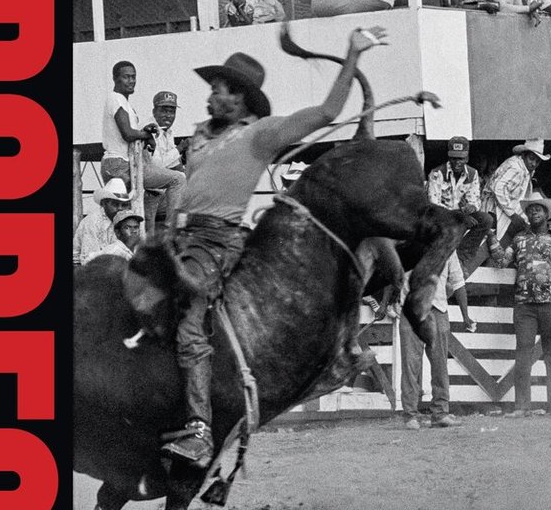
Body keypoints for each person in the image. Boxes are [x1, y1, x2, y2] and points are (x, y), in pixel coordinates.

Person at [159, 25, 389, 469]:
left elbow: (326, 112)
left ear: (240, 99)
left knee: (188, 322)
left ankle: (200, 430)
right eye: (212, 87)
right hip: (180, 238)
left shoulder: (261, 134)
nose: (211, 94)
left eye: (220, 88)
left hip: (215, 242)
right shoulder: (200, 135)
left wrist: (352, 55)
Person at [486, 191, 551, 417]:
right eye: (531, 209)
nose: (534, 212)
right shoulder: (519, 240)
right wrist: (490, 235)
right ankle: (522, 406)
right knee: (523, 352)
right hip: (524, 305)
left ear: (546, 213)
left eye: (538, 209)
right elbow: (501, 260)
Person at [400, 251, 474, 430]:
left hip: (438, 310)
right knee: (410, 364)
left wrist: (465, 316)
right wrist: (387, 302)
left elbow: (458, 282)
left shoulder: (448, 248)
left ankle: (440, 413)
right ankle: (410, 415)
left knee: (440, 364)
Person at [427, 135, 493, 278]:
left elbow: (475, 200)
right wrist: (459, 215)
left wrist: (471, 207)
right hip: (441, 217)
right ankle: (449, 260)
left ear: (467, 158)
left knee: (486, 219)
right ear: (449, 157)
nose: (457, 162)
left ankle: (461, 257)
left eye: (461, 158)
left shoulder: (473, 174)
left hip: (461, 215)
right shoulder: (437, 173)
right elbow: (434, 205)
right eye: (454, 158)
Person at [480, 139, 550, 248]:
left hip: (506, 208)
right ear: (524, 155)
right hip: (493, 209)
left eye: (537, 161)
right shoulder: (515, 167)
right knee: (491, 242)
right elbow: (498, 188)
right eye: (531, 159)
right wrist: (512, 215)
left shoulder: (526, 169)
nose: (534, 164)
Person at [100, 60, 159, 186]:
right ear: (115, 79)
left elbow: (132, 133)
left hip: (123, 162)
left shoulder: (125, 103)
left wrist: (143, 131)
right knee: (176, 179)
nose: (131, 81)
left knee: (138, 196)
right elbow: (128, 134)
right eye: (126, 77)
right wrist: (147, 135)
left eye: (133, 77)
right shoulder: (116, 98)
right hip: (117, 162)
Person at [141, 91, 187, 238]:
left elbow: (174, 164)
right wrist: (180, 148)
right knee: (146, 237)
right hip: (145, 191)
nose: (168, 115)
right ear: (154, 111)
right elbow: (156, 165)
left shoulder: (168, 132)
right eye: (164, 110)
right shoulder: (150, 128)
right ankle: (171, 230)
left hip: (159, 192)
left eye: (172, 111)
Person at [73, 178, 131, 265]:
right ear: (104, 203)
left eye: (124, 205)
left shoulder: (123, 220)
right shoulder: (92, 222)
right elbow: (89, 261)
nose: (120, 208)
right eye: (115, 204)